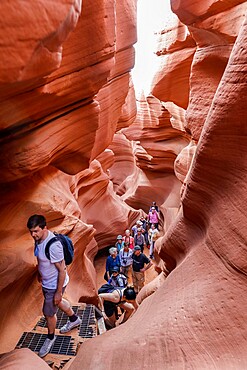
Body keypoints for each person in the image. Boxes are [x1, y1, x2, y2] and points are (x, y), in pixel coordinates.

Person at [27, 215, 81, 358]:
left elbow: (62, 270)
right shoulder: (38, 239)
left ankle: (51, 338)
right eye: (31, 231)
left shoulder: (53, 245)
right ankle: (74, 319)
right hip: (47, 282)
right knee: (57, 302)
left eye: (36, 231)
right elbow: (40, 257)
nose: (33, 234)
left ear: (45, 228)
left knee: (49, 313)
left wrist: (58, 292)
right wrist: (40, 272)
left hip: (54, 284)